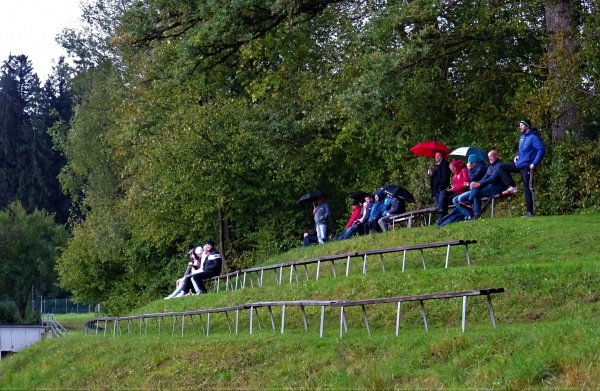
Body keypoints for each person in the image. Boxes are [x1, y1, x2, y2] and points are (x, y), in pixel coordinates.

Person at [497, 118, 546, 217]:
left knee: (528, 187)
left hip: (528, 166)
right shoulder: (522, 137)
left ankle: (530, 212)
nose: (520, 127)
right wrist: (517, 155)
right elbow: (522, 150)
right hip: (519, 163)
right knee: (502, 167)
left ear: (527, 126)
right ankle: (513, 187)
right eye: (520, 125)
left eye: (522, 125)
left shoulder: (533, 137)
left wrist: (534, 163)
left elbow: (541, 149)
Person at [454, 150, 503, 219]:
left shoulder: (499, 165)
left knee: (477, 192)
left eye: (491, 156)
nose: (489, 158)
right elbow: (484, 178)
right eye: (488, 157)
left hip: (497, 187)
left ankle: (476, 214)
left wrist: (478, 183)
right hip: (487, 187)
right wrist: (475, 183)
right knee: (458, 198)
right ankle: (470, 212)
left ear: (496, 156)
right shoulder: (490, 167)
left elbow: (492, 178)